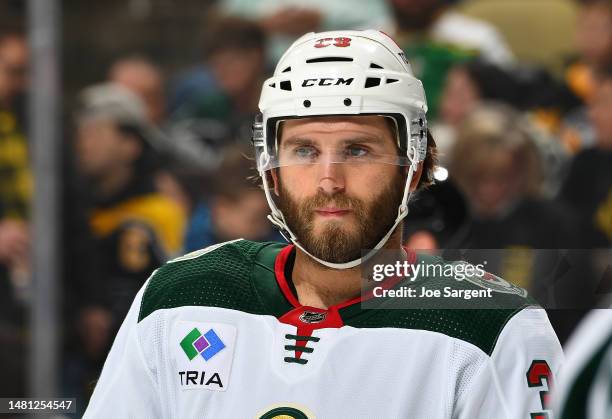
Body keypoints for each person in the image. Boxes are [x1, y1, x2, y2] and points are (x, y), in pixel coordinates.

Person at [84, 30, 562, 418]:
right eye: (304, 151)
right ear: (271, 169)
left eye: (357, 150)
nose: (329, 181)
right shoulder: (179, 296)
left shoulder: (494, 327)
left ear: (414, 166)